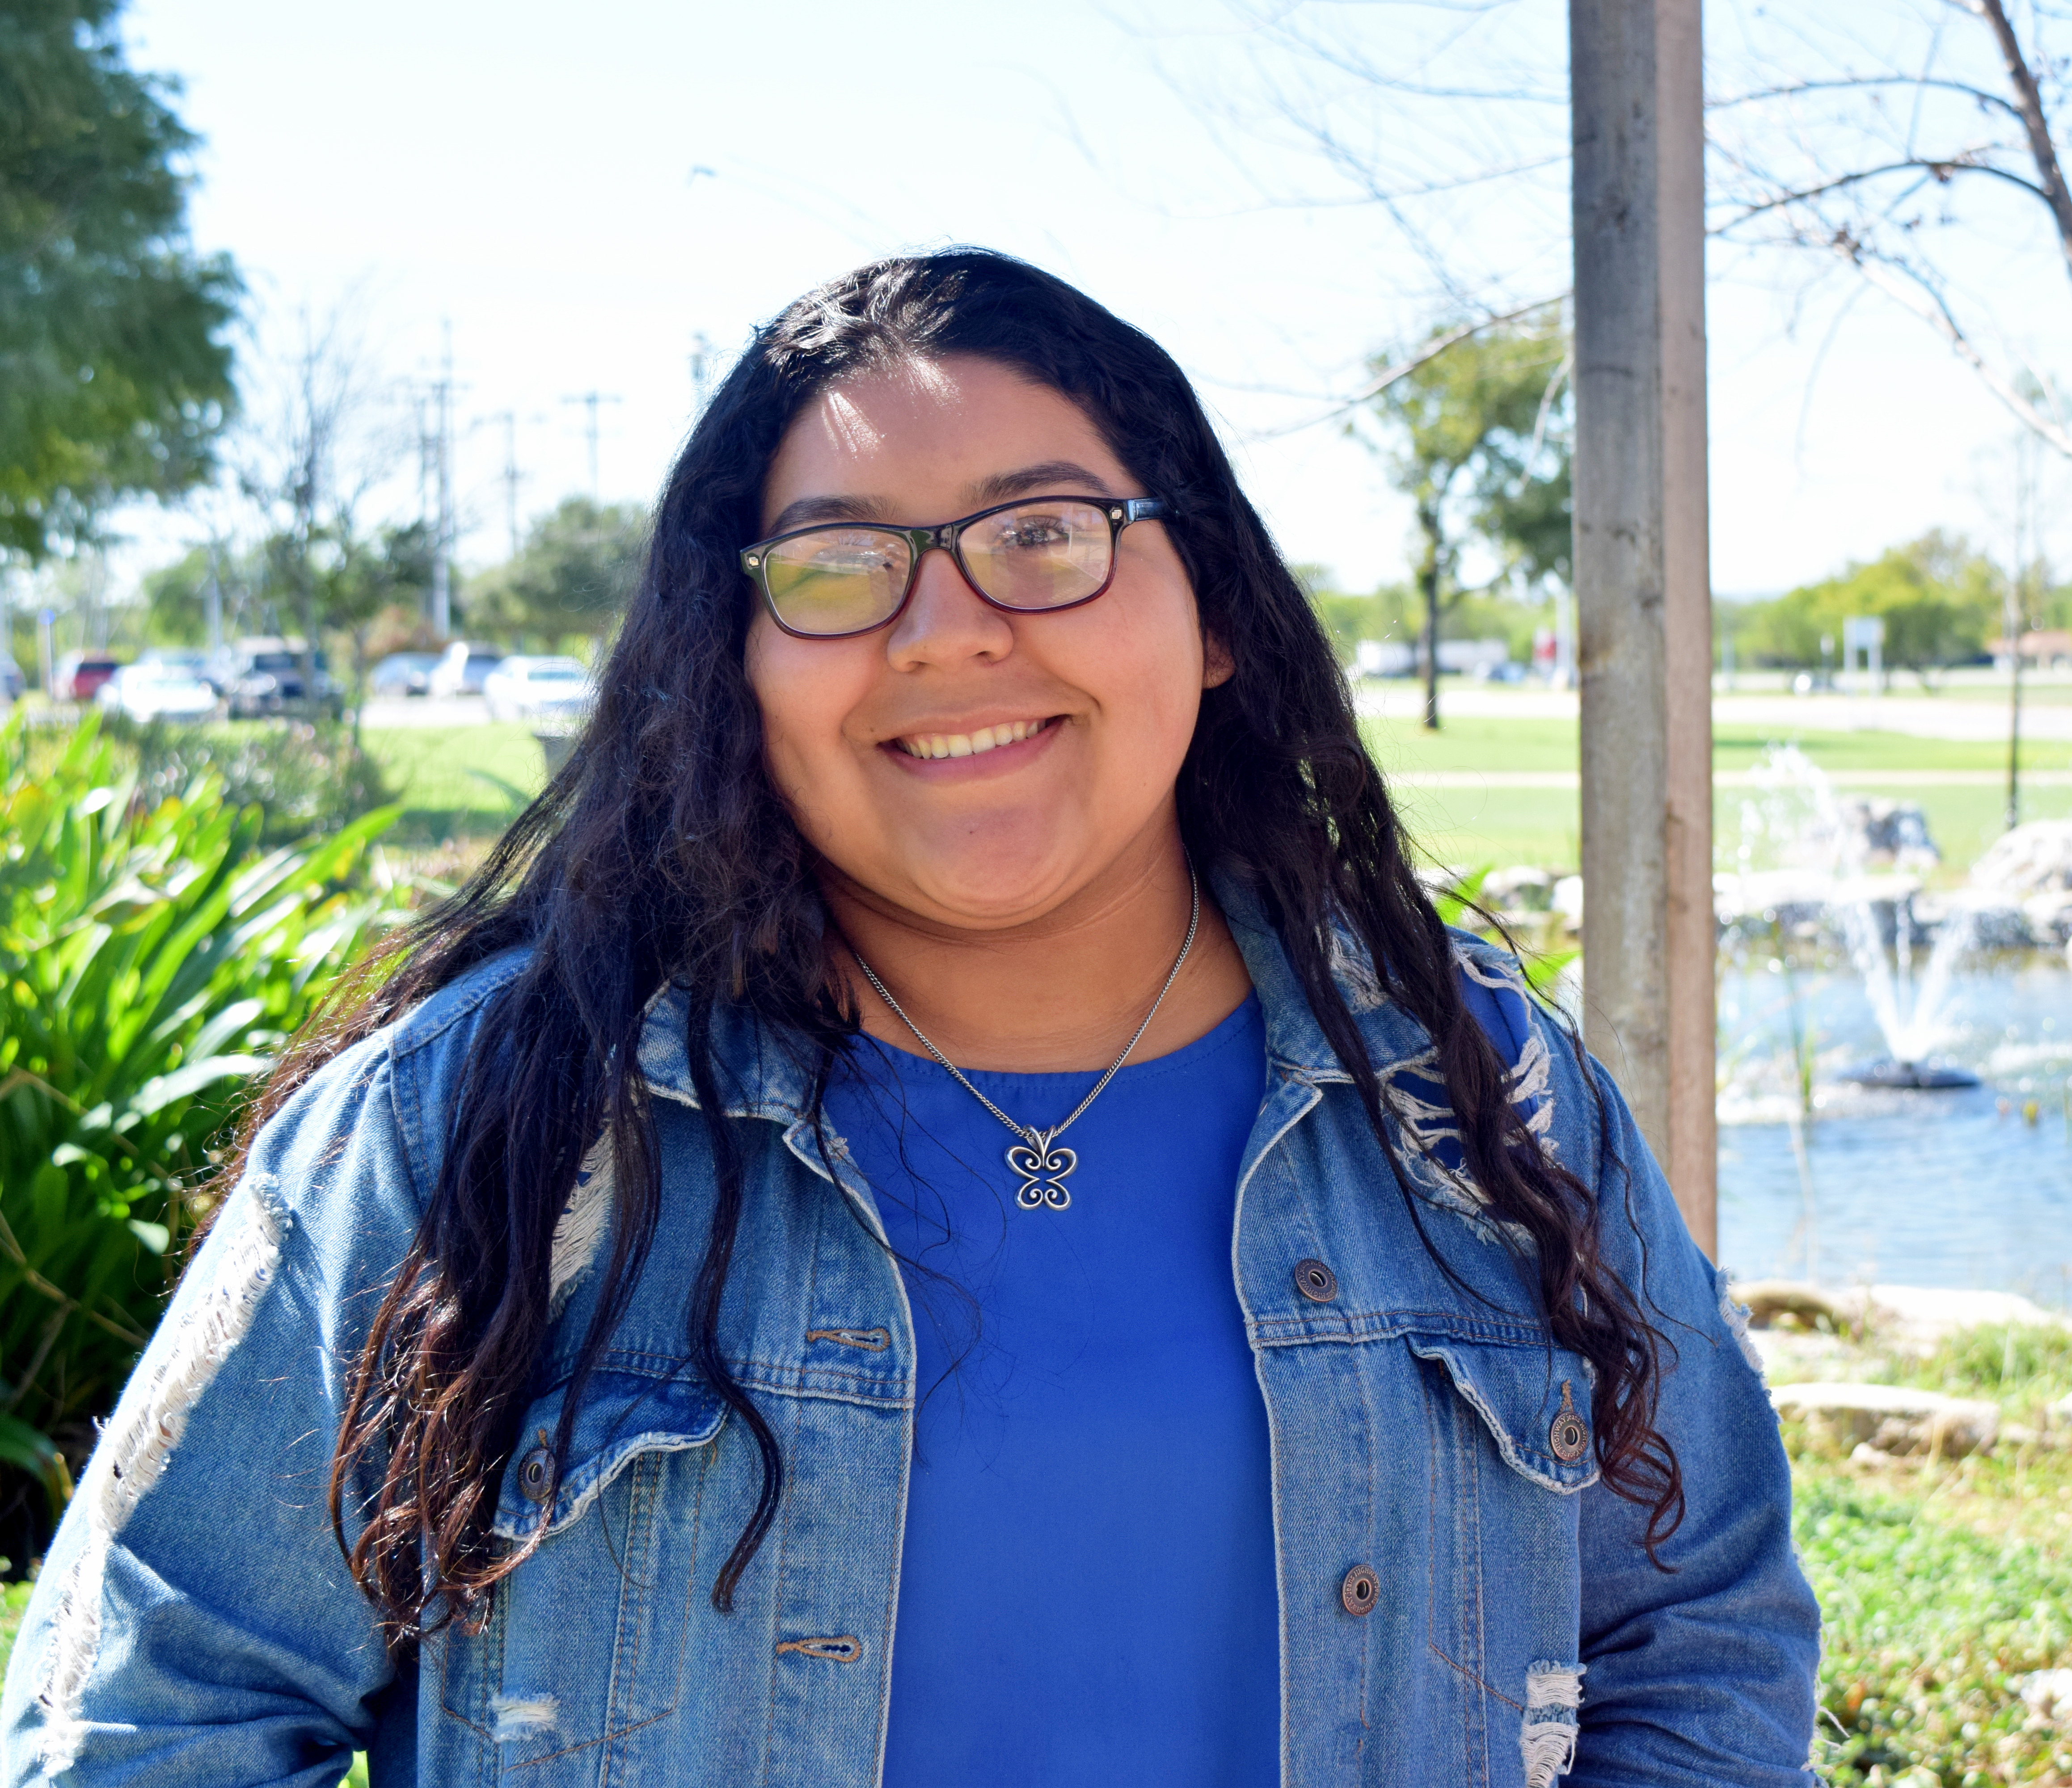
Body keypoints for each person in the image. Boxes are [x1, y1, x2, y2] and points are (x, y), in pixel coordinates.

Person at [1, 250, 1819, 1787]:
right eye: (840, 563)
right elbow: (148, 1713)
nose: (945, 630)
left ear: (1216, 617)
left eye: (1047, 535)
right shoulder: (490, 1121)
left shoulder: (1476, 1097)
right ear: (734, 662)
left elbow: (1700, 1636)